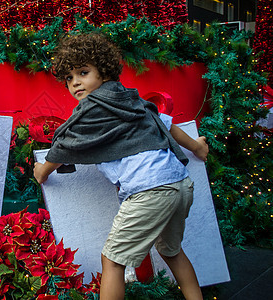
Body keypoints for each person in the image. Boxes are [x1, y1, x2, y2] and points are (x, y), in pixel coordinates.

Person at [33, 32, 208, 300]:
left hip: (149, 190)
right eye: (69, 78)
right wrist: (196, 147)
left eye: (83, 72)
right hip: (179, 184)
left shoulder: (92, 108)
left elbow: (67, 143)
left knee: (112, 260)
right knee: (171, 250)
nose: (75, 82)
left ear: (103, 73)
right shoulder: (132, 100)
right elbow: (165, 123)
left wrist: (43, 170)